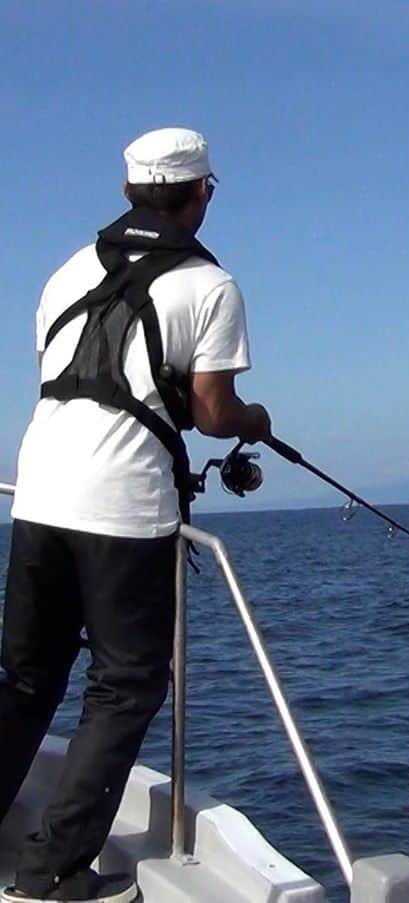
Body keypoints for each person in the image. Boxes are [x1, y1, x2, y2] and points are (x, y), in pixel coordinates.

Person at [0, 128, 271, 903]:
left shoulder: (63, 273)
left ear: (126, 193)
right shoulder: (211, 287)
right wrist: (253, 419)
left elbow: (77, 379)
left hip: (41, 487)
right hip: (123, 504)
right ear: (203, 195)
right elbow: (212, 411)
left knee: (25, 674)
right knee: (125, 683)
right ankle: (49, 870)